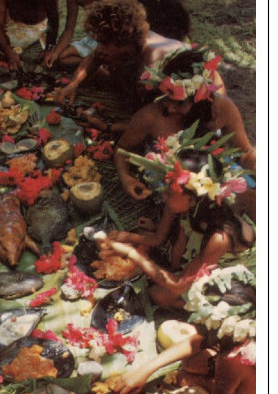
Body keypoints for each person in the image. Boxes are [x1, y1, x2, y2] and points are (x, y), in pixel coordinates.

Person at [96, 127, 255, 308]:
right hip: (199, 253)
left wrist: (130, 253)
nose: (164, 195)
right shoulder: (185, 205)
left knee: (159, 294)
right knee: (166, 272)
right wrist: (130, 237)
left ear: (191, 200)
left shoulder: (220, 238)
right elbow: (161, 239)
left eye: (170, 193)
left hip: (225, 271)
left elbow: (178, 286)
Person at [104, 264, 256, 394]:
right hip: (236, 373)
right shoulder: (243, 326)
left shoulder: (235, 358)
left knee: (185, 382)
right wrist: (144, 371)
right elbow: (196, 342)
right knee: (191, 364)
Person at [114, 48, 253, 200]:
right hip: (175, 184)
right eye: (166, 97)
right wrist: (125, 178)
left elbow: (245, 153)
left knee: (249, 198)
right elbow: (122, 148)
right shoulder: (150, 116)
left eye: (179, 103)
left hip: (215, 170)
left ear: (200, 99)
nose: (169, 107)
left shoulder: (221, 108)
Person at [54, 0, 186, 109]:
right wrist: (73, 84)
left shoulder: (152, 57)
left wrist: (109, 126)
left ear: (124, 41)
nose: (99, 49)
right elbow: (94, 57)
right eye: (99, 42)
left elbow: (147, 112)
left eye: (104, 43)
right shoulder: (127, 41)